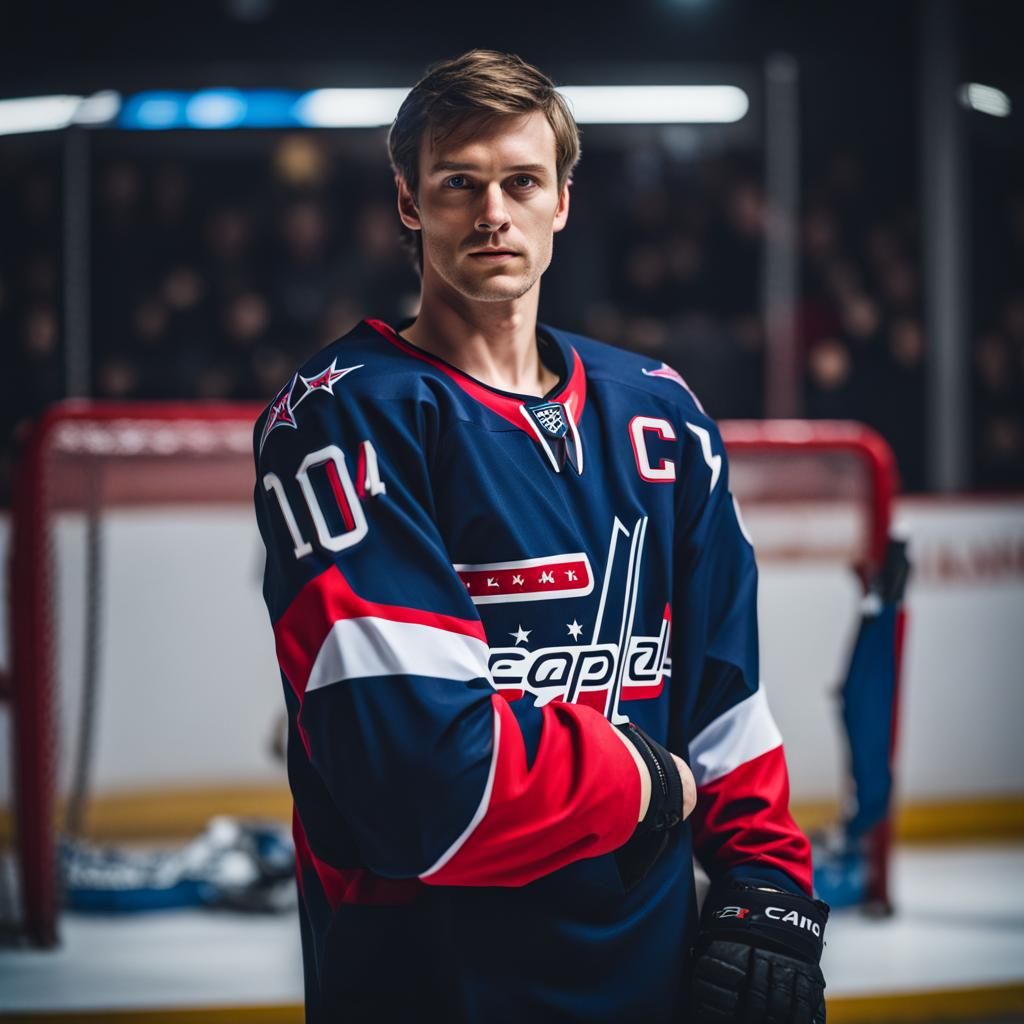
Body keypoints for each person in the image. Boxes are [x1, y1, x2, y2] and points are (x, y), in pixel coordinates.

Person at [253, 50, 828, 1024]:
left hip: (649, 977)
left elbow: (724, 699)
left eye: (521, 181)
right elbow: (424, 788)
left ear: (563, 200)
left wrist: (765, 883)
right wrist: (648, 779)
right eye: (458, 185)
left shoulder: (662, 417)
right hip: (429, 983)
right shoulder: (346, 418)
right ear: (407, 204)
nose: (492, 214)